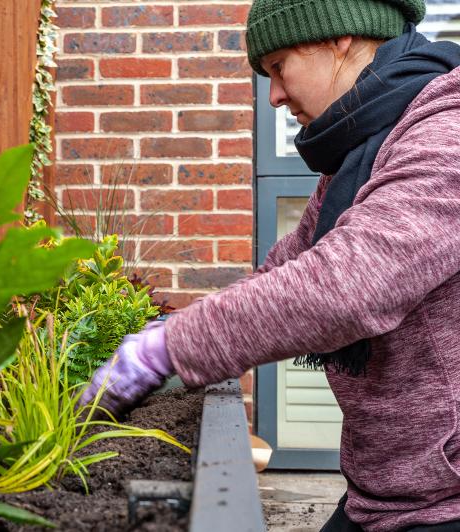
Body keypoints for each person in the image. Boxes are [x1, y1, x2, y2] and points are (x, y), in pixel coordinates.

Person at [80, 0, 460, 530]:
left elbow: (348, 287)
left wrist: (167, 349)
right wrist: (172, 330)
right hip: (383, 491)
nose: (275, 96)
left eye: (279, 66)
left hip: (444, 502)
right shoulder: (361, 150)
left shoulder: (446, 136)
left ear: (339, 39)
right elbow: (286, 271)